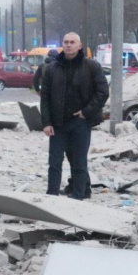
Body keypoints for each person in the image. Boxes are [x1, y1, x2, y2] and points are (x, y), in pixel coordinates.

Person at [40, 32, 109, 200]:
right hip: (58, 123)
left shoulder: (91, 67)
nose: (69, 45)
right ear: (62, 45)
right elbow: (45, 97)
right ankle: (52, 196)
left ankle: (78, 196)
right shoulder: (52, 69)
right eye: (66, 42)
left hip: (80, 122)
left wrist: (86, 112)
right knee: (54, 162)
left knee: (79, 162)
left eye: (72, 42)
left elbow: (103, 92)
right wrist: (46, 122)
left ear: (80, 46)